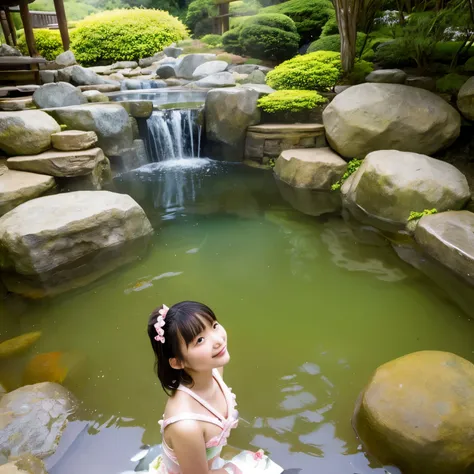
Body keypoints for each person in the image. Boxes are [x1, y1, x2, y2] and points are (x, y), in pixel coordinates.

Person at [146, 301, 284, 474]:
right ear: (178, 362)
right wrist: (236, 470)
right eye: (200, 340)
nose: (218, 340)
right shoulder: (186, 425)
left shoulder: (214, 370)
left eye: (214, 325)